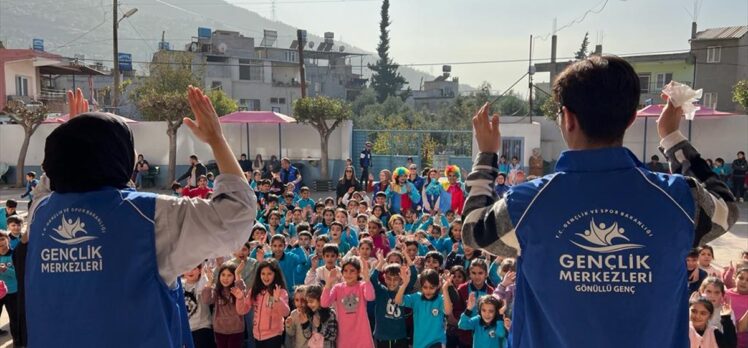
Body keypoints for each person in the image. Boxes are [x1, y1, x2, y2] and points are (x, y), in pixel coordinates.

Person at [462, 56, 739, 347]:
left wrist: (487, 156)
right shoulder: (680, 200)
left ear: (567, 118)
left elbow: (473, 228)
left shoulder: (527, 204)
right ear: (631, 119)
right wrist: (671, 137)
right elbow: (726, 208)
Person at [25, 87, 257, 347]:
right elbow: (237, 213)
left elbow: (47, 187)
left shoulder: (40, 215)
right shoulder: (153, 217)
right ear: (119, 157)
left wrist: (73, 143)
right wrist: (217, 140)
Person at [321, 256, 375, 348]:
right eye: (345, 271)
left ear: (358, 273)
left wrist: (366, 277)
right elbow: (324, 303)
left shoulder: (362, 286)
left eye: (352, 271)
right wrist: (328, 283)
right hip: (344, 335)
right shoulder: (338, 288)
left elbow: (370, 297)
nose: (348, 274)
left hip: (362, 334)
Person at [236, 260, 290, 348]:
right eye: (263, 273)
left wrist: (277, 300)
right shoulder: (254, 290)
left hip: (274, 336)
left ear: (275, 274)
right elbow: (242, 310)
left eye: (269, 274)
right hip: (257, 336)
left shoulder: (281, 292)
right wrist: (240, 299)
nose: (266, 277)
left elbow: (286, 313)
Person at [395, 268, 453, 348]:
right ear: (421, 286)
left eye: (432, 287)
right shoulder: (416, 298)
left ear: (438, 285)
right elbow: (398, 301)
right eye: (425, 287)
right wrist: (404, 284)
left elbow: (448, 311)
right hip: (419, 343)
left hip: (437, 342)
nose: (428, 291)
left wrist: (445, 289)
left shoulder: (440, 299)